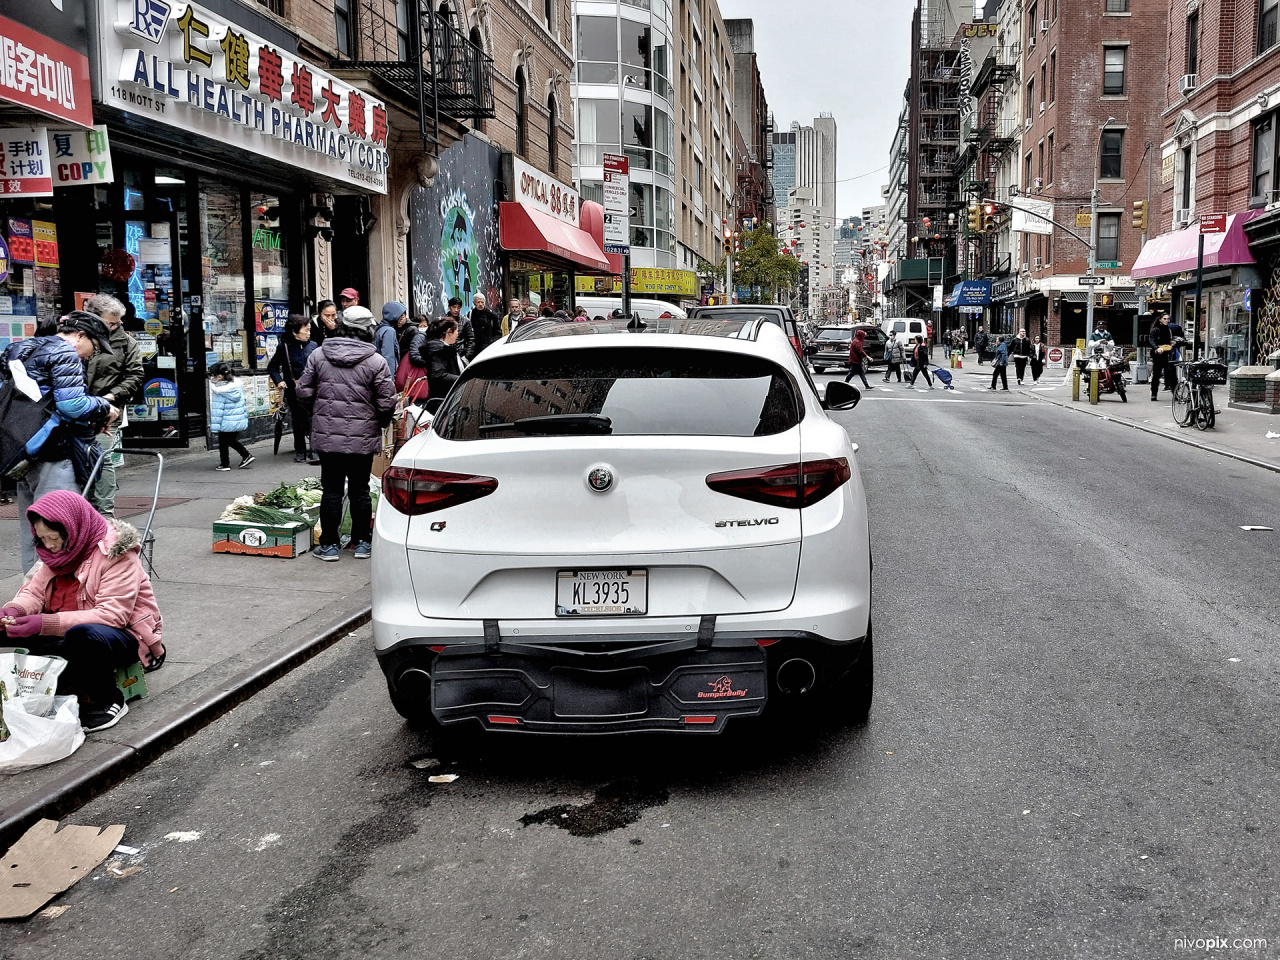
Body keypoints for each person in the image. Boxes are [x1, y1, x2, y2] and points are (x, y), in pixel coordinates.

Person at [0, 490, 165, 732]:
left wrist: (44, 623)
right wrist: (14, 610)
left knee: (82, 635)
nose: (49, 546)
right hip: (63, 632)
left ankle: (110, 699)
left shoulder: (116, 555)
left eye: (54, 538)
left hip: (121, 636)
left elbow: (112, 616)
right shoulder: (56, 554)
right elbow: (34, 592)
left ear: (72, 529)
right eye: (42, 539)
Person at [2, 312, 116, 572]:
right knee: (58, 528)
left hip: (22, 449)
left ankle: (30, 595)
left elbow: (41, 399)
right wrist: (105, 406)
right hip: (55, 451)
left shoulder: (21, 349)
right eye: (94, 346)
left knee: (33, 530)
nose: (91, 354)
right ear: (80, 335)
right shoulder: (66, 353)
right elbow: (72, 404)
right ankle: (53, 595)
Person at [295, 307, 396, 562]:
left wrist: (319, 415)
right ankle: (362, 542)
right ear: (367, 330)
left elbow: (303, 392)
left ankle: (328, 545)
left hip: (328, 436)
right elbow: (387, 402)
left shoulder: (319, 355)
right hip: (362, 436)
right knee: (360, 489)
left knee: (331, 489)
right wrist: (378, 423)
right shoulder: (376, 361)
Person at [84, 294, 144, 518]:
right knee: (78, 457)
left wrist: (111, 397)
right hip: (76, 406)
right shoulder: (80, 337)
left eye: (117, 322)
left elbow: (135, 376)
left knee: (101, 455)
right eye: (110, 322)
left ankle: (105, 513)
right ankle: (83, 508)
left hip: (106, 409)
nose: (115, 326)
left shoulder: (126, 342)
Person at [267, 315, 319, 463]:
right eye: (306, 330)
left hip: (312, 388)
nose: (309, 333)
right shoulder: (284, 347)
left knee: (313, 419)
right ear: (295, 332)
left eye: (309, 330)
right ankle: (300, 451)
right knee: (297, 420)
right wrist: (279, 381)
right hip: (293, 389)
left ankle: (314, 450)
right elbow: (272, 367)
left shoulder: (314, 346)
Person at [208, 362, 254, 471]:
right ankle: (226, 462)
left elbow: (219, 410)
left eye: (213, 375)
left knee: (226, 441)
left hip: (227, 421)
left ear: (219, 376)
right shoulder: (235, 386)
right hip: (236, 420)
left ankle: (243, 456)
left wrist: (216, 425)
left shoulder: (220, 390)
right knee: (227, 441)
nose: (211, 378)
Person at [413, 317, 463, 399]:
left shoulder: (444, 348)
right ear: (449, 332)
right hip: (443, 398)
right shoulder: (439, 350)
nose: (458, 334)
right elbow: (438, 374)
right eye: (457, 331)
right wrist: (462, 379)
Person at [1149, 313, 1177, 400]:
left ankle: (1175, 393)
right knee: (1156, 374)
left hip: (1168, 353)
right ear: (1160, 319)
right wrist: (1157, 348)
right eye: (1165, 319)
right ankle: (1154, 393)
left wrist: (1172, 342)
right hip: (1159, 354)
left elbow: (1170, 340)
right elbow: (1151, 340)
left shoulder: (1169, 330)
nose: (1166, 320)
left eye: (1168, 319)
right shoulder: (1156, 330)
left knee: (1172, 374)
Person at [375, 301, 407, 374]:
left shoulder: (380, 329)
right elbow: (388, 357)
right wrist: (390, 380)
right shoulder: (389, 331)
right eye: (400, 316)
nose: (401, 319)